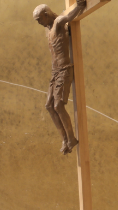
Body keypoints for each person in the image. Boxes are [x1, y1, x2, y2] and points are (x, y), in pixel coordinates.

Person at [33, 2, 86, 154]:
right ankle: (64, 139)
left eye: (39, 19)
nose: (38, 22)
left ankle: (71, 138)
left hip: (64, 70)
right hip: (55, 72)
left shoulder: (58, 22)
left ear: (46, 14)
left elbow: (68, 17)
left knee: (58, 106)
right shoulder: (48, 30)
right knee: (49, 106)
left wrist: (80, 5)